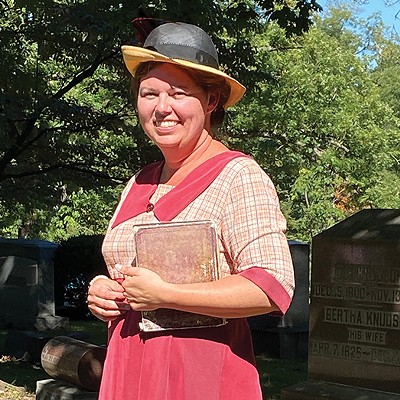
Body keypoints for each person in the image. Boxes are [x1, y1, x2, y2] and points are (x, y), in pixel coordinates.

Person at [87, 20, 294, 400]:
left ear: (211, 101)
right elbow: (131, 275)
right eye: (150, 94)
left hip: (200, 374)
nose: (162, 108)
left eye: (178, 93)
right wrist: (105, 290)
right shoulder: (140, 181)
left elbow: (273, 287)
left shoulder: (238, 176)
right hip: (127, 366)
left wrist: (165, 294)